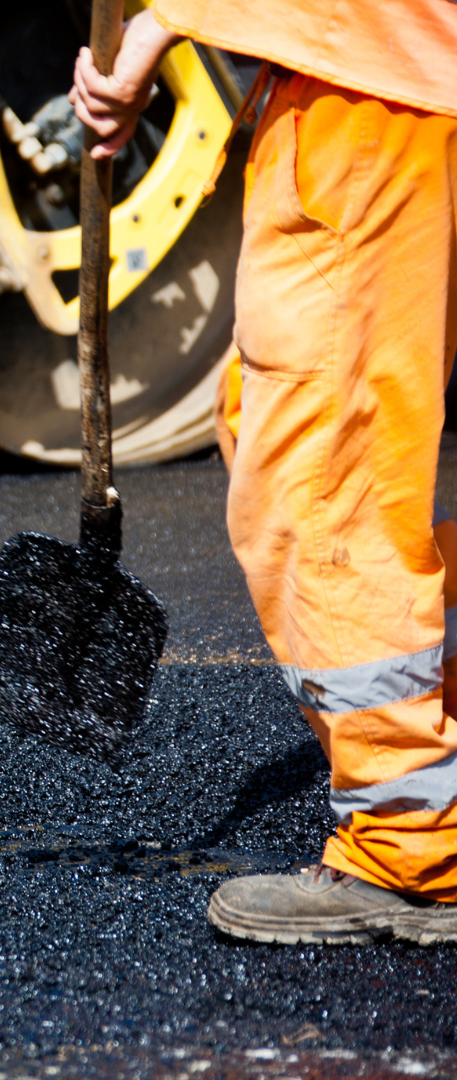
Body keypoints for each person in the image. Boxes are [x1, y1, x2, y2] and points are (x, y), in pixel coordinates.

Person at [73, 2, 457, 943]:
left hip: (374, 89)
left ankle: (413, 848)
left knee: (322, 489)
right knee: (295, 424)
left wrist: (155, 32)